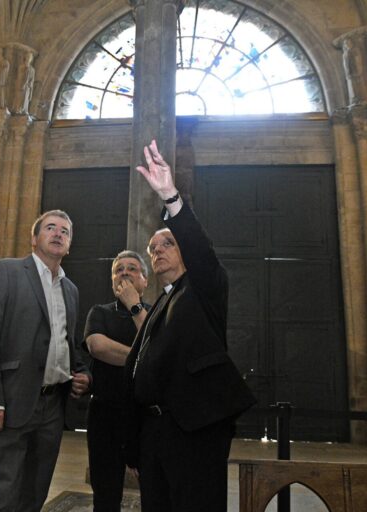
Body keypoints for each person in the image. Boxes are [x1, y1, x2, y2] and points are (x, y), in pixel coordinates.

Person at [124, 140, 256, 512]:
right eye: (152, 249)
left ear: (184, 248)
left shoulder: (204, 288)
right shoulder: (163, 299)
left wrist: (169, 196)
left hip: (194, 431)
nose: (157, 251)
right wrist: (134, 444)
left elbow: (201, 250)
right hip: (154, 434)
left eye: (167, 243)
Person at [0, 210, 92, 512]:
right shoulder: (7, 272)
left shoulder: (71, 290)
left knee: (35, 492)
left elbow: (68, 343)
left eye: (65, 231)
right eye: (50, 228)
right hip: (13, 400)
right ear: (34, 237)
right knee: (4, 489)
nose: (58, 234)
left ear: (69, 244)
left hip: (53, 406)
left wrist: (80, 374)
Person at [83, 250, 150, 511]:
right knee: (106, 492)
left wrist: (136, 306)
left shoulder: (155, 312)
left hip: (145, 417)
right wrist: (145, 359)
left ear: (144, 280)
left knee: (154, 490)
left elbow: (162, 352)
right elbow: (99, 347)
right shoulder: (99, 312)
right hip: (105, 414)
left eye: (132, 268)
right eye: (118, 269)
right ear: (113, 282)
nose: (124, 272)